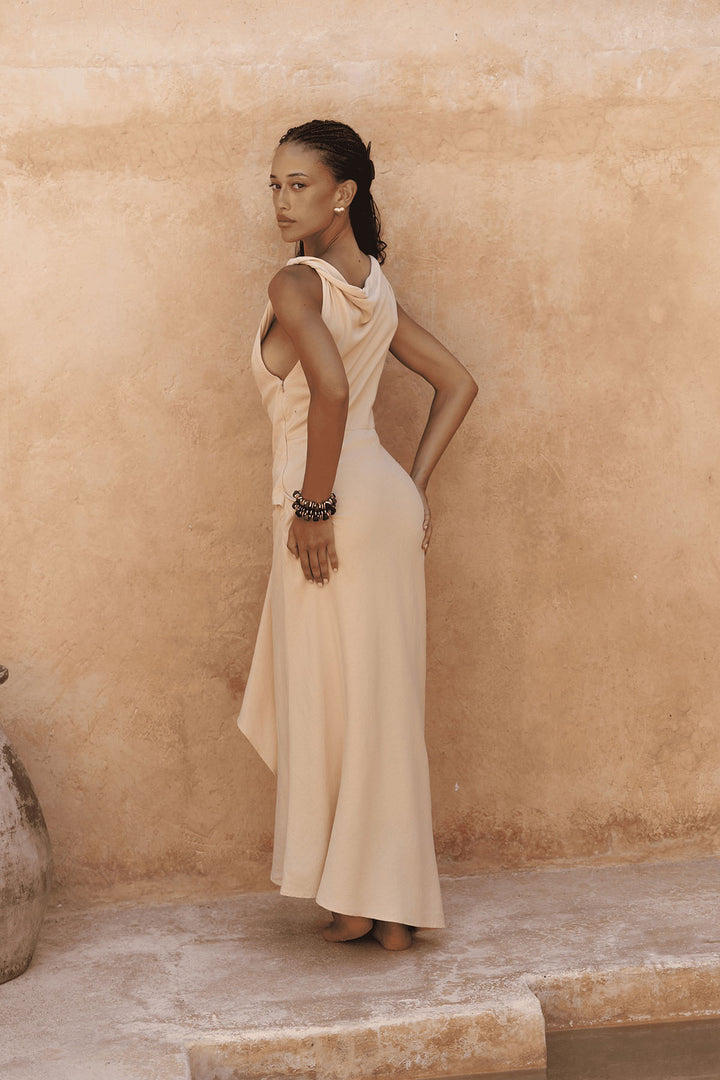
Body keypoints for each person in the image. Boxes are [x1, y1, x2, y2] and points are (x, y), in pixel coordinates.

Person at [238, 120, 477, 951]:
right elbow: (458, 383)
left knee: (331, 700)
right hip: (379, 498)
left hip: (326, 505)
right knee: (379, 702)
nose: (280, 199)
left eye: (299, 185)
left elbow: (330, 392)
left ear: (344, 195)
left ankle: (356, 902)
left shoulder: (294, 284)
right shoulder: (374, 288)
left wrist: (313, 509)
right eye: (275, 184)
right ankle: (389, 911)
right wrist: (406, 488)